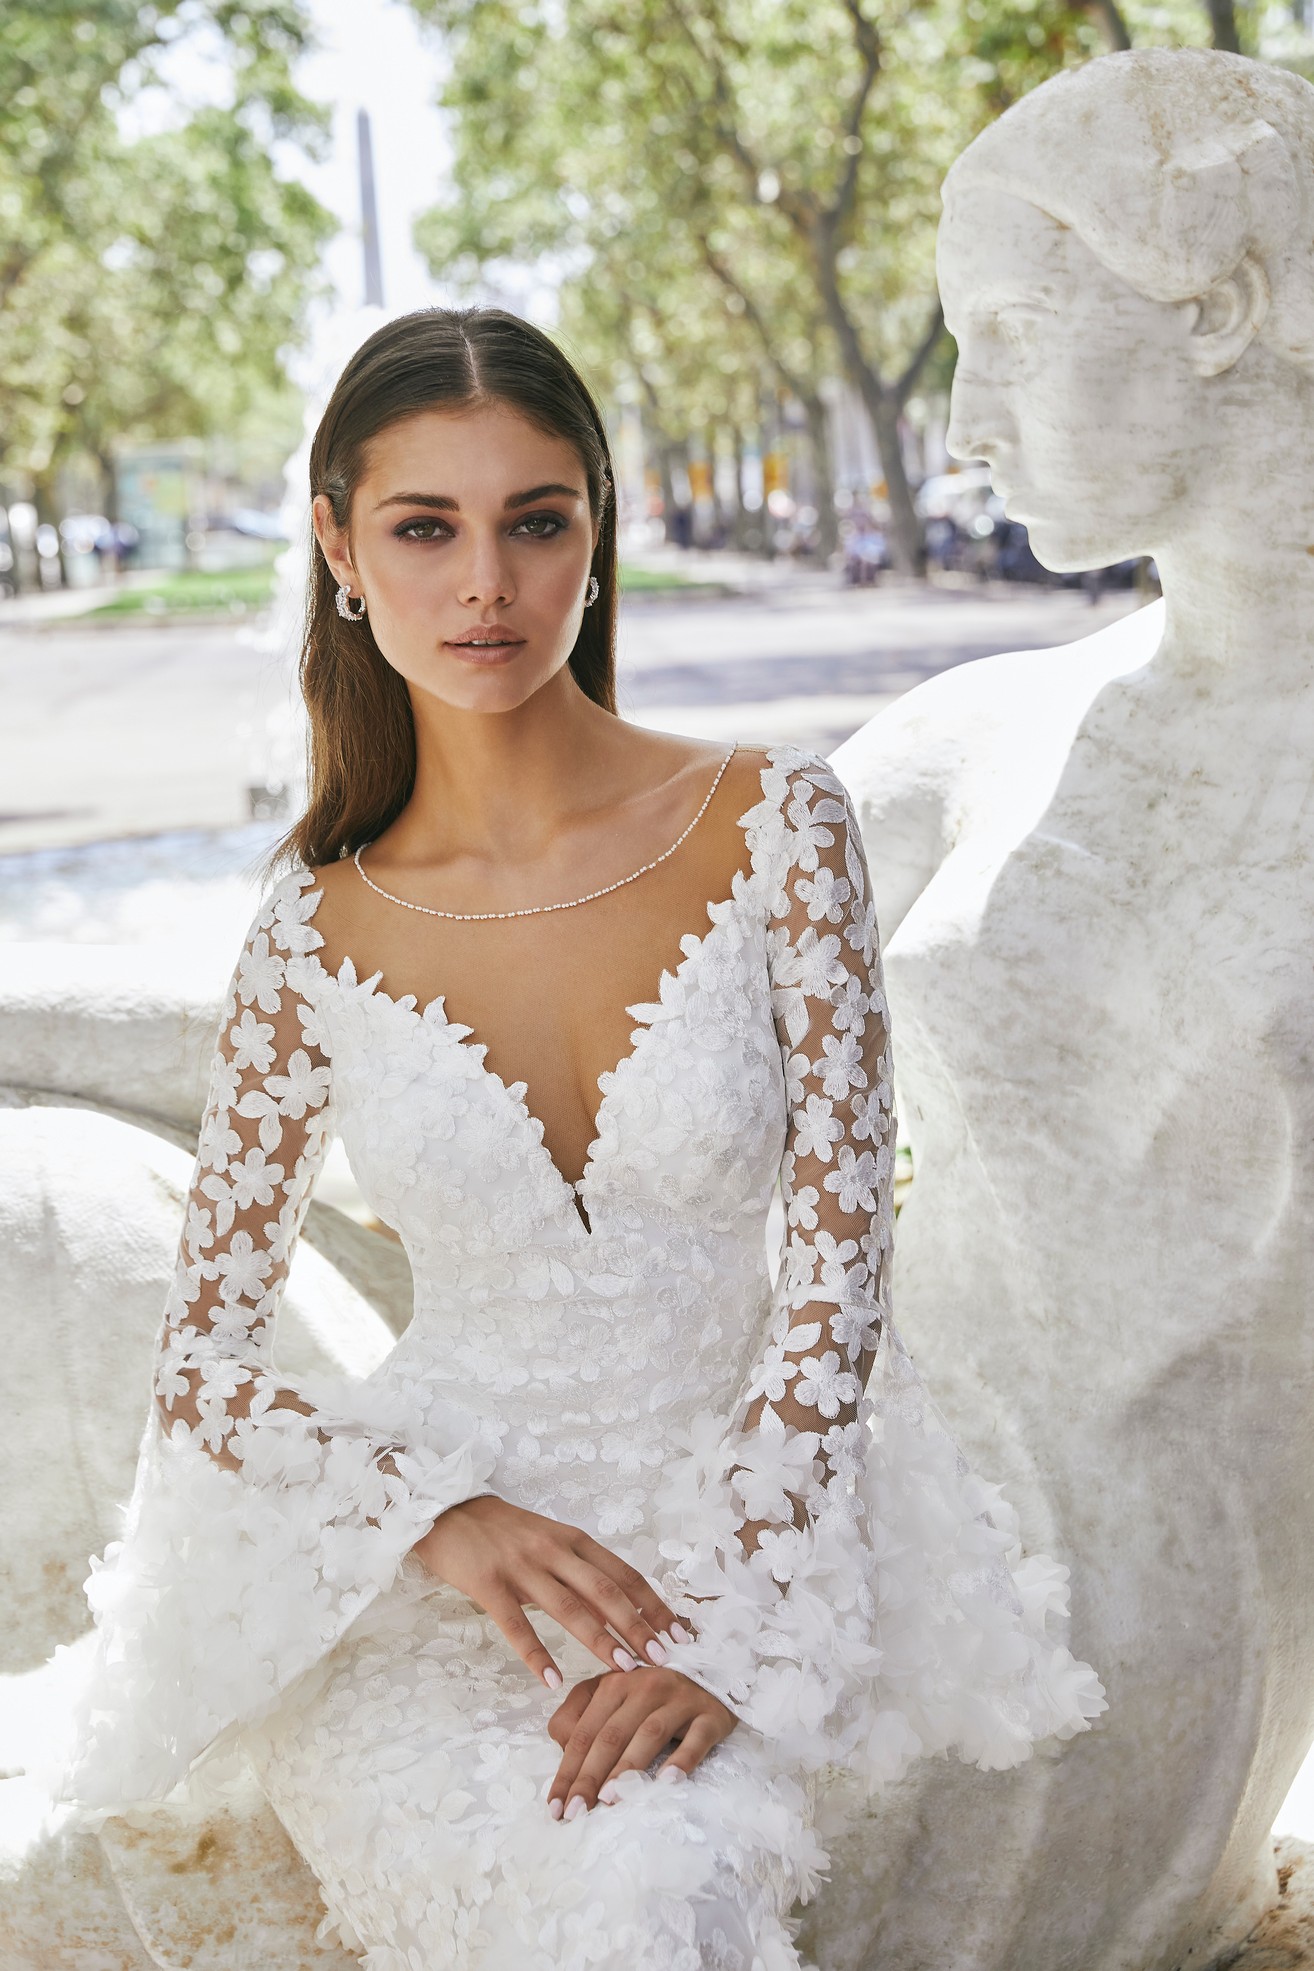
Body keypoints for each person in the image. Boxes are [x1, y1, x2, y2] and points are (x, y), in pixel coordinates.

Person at [59, 308, 1105, 1969]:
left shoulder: (774, 829)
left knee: (655, 1889)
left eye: (534, 522)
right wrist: (436, 1513)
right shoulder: (311, 932)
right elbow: (206, 1373)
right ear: (338, 544)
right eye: (426, 527)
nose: (487, 584)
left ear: (594, 535)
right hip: (432, 1589)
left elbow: (836, 1280)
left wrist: (737, 1632)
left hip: (750, 1528)